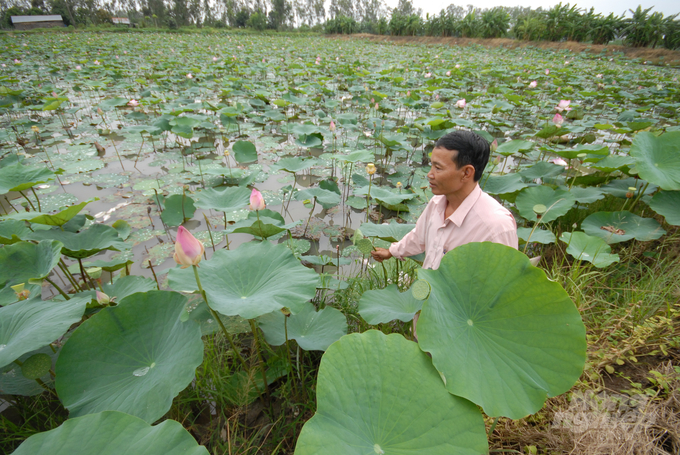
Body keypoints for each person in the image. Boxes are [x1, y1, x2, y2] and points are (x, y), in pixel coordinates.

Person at [371, 130, 518, 269]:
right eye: (431, 166)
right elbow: (418, 236)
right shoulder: (437, 202)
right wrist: (392, 251)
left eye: (438, 168)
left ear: (466, 173)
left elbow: (504, 284)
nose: (430, 174)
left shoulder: (496, 227)